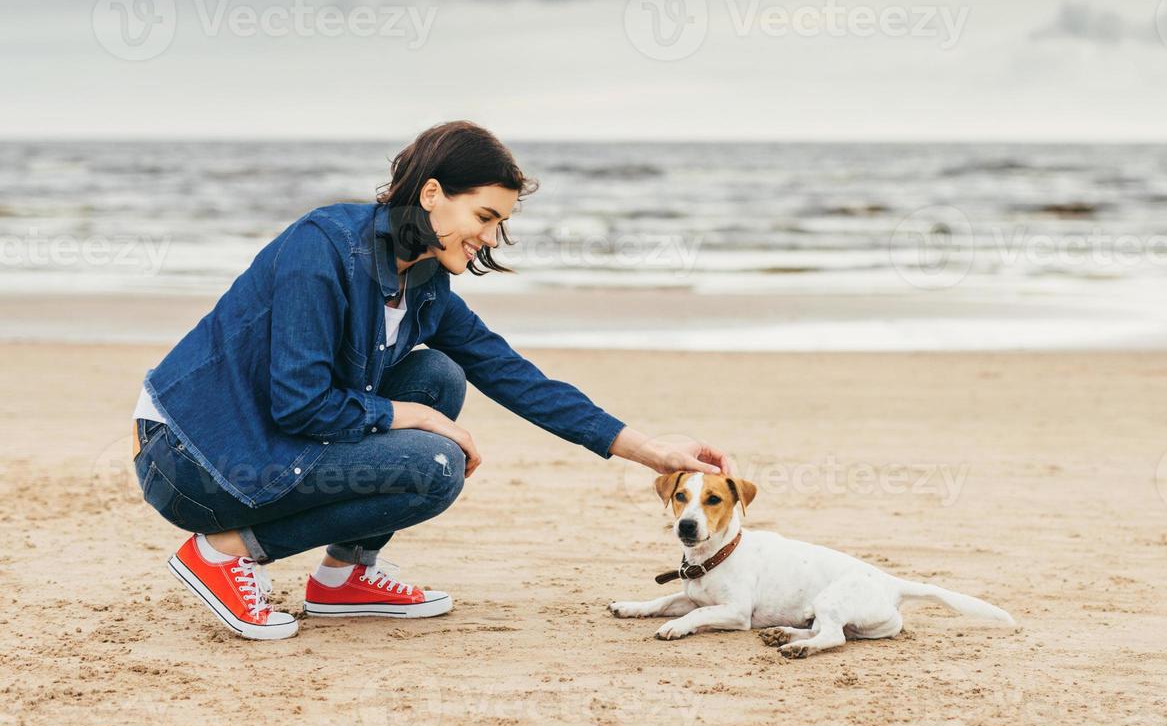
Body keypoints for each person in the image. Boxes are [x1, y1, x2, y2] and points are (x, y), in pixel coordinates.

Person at [131, 120, 732, 640]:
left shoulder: (425, 286)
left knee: (438, 376)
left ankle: (344, 578)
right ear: (433, 193)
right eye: (484, 216)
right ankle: (222, 552)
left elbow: (515, 376)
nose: (490, 238)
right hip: (192, 458)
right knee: (435, 464)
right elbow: (299, 405)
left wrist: (651, 452)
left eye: (500, 223)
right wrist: (413, 417)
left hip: (258, 441)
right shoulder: (323, 248)